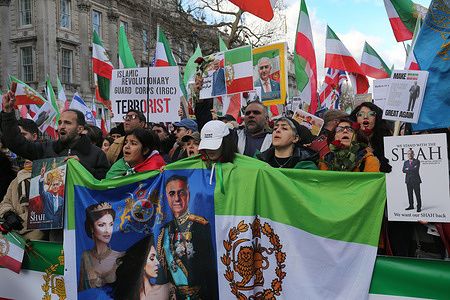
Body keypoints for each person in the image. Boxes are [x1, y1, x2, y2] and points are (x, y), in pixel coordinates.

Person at [1, 83, 110, 180]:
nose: (61, 126)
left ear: (80, 129)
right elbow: (16, 143)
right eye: (60, 122)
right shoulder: (45, 148)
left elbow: (105, 181)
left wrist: (81, 166)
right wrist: (8, 112)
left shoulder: (96, 154)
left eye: (67, 123)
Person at [157, 175, 218, 299]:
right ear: (167, 198)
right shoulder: (164, 232)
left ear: (188, 194)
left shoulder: (201, 226)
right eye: (172, 194)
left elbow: (210, 271)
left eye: (182, 193)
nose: (177, 198)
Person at [0, 119, 47, 240]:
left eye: (32, 156)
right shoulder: (18, 177)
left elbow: (45, 211)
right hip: (14, 236)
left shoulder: (45, 178)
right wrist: (8, 214)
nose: (27, 158)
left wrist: (18, 222)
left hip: (35, 236)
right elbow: (5, 202)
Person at [112, 235, 174, 300]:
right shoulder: (127, 296)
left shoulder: (167, 289)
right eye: (152, 258)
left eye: (156, 257)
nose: (157, 263)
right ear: (142, 263)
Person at [79, 202, 123, 291]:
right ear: (91, 227)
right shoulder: (86, 256)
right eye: (101, 225)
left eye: (111, 224)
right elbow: (81, 292)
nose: (107, 230)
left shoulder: (121, 257)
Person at [349, 102, 392, 173]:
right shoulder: (350, 143)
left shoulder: (387, 143)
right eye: (361, 114)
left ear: (377, 118)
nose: (365, 117)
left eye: (371, 114)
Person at [38, 161, 64, 228]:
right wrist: (42, 176)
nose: (55, 186)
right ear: (51, 187)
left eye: (57, 185)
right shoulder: (47, 196)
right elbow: (41, 192)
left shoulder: (62, 200)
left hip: (56, 228)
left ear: (59, 187)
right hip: (45, 227)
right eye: (53, 185)